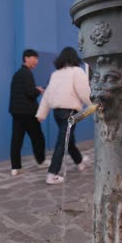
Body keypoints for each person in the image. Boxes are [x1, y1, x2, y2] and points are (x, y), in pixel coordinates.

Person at [36, 47, 92, 185]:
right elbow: (84, 91)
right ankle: (52, 174)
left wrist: (41, 113)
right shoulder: (77, 71)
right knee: (63, 142)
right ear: (74, 58)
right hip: (70, 112)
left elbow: (48, 94)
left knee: (68, 139)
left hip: (57, 113)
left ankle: (79, 162)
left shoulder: (55, 74)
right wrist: (95, 105)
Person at [9, 49, 50, 176]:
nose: (36, 61)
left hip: (16, 112)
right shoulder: (27, 73)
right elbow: (30, 93)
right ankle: (41, 161)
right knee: (38, 138)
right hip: (28, 113)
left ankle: (15, 168)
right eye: (34, 58)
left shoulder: (18, 74)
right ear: (26, 58)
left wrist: (33, 89)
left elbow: (21, 92)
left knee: (17, 140)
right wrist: (38, 90)